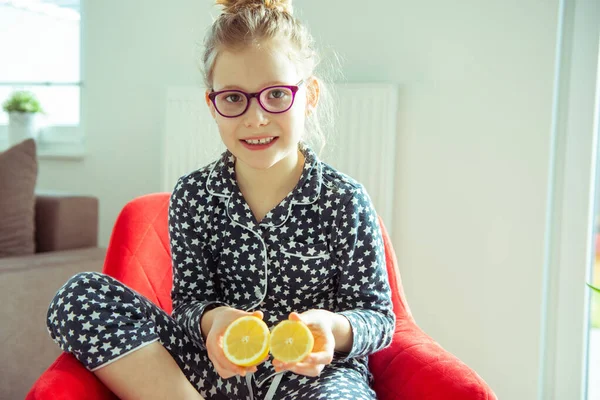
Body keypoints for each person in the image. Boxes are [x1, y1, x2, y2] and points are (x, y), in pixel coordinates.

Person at [45, 0, 395, 399]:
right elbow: (190, 304)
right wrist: (215, 321)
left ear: (309, 96)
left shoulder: (344, 199)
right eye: (233, 98)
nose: (256, 118)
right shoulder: (193, 195)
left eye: (277, 94)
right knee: (80, 295)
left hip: (315, 382)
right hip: (211, 374)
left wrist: (332, 330)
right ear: (212, 105)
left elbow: (378, 318)